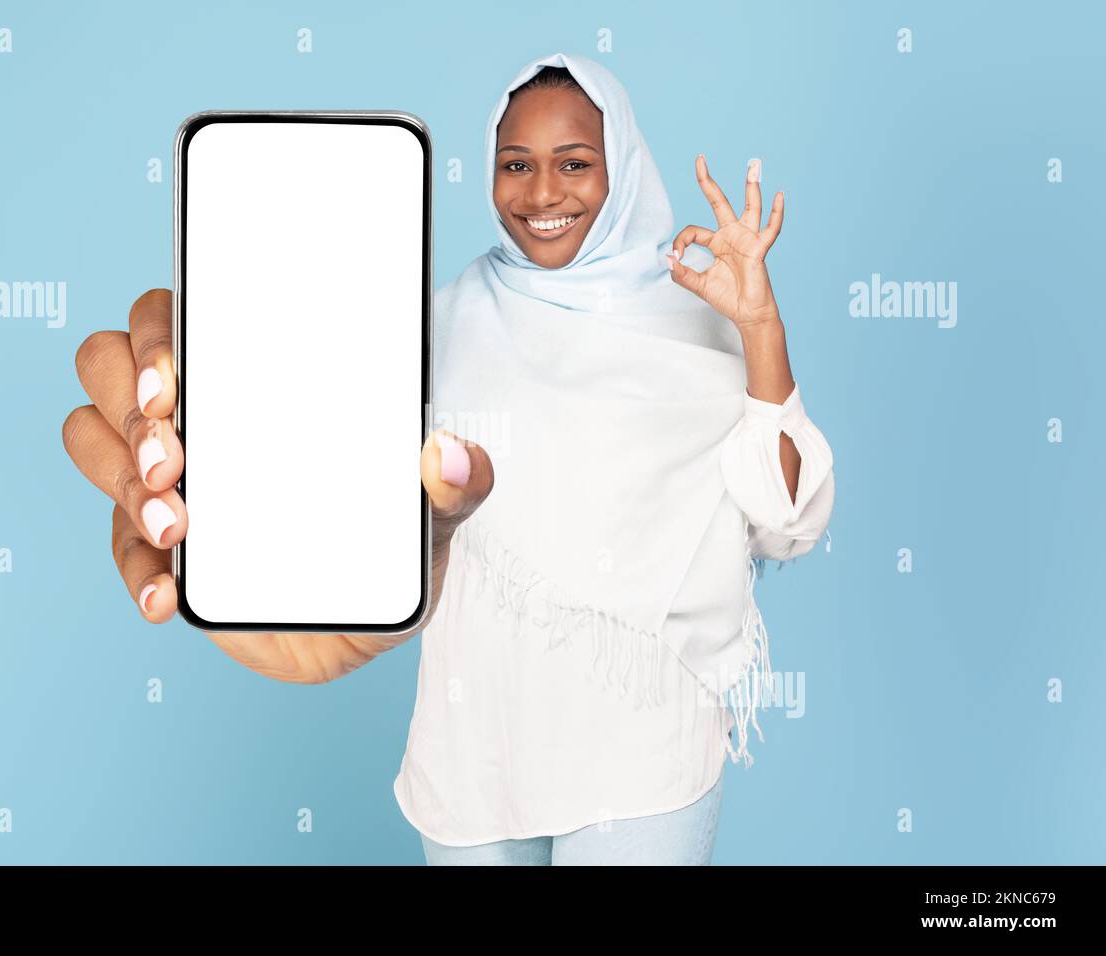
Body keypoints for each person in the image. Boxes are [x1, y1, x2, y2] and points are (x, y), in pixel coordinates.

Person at [61, 51, 834, 866]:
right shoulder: (435, 323)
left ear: (626, 171)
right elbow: (347, 483)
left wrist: (760, 333)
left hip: (641, 747)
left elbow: (787, 525)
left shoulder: (699, 323)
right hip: (474, 754)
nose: (541, 194)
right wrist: (207, 426)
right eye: (516, 165)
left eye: (574, 163)